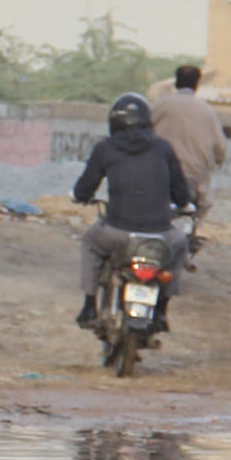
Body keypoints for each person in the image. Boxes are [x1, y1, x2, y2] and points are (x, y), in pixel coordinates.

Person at [70, 92, 195, 329]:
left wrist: (80, 198)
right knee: (180, 246)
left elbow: (83, 189)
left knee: (90, 243)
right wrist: (185, 205)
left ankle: (89, 305)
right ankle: (161, 310)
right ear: (148, 122)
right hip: (161, 234)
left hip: (116, 232)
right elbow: (181, 193)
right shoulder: (163, 148)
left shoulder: (104, 148)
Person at [153, 64, 228, 200]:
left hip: (161, 174)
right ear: (197, 84)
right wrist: (219, 161)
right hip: (194, 176)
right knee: (201, 208)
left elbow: (144, 132)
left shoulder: (160, 106)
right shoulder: (207, 111)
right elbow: (220, 147)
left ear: (176, 83)